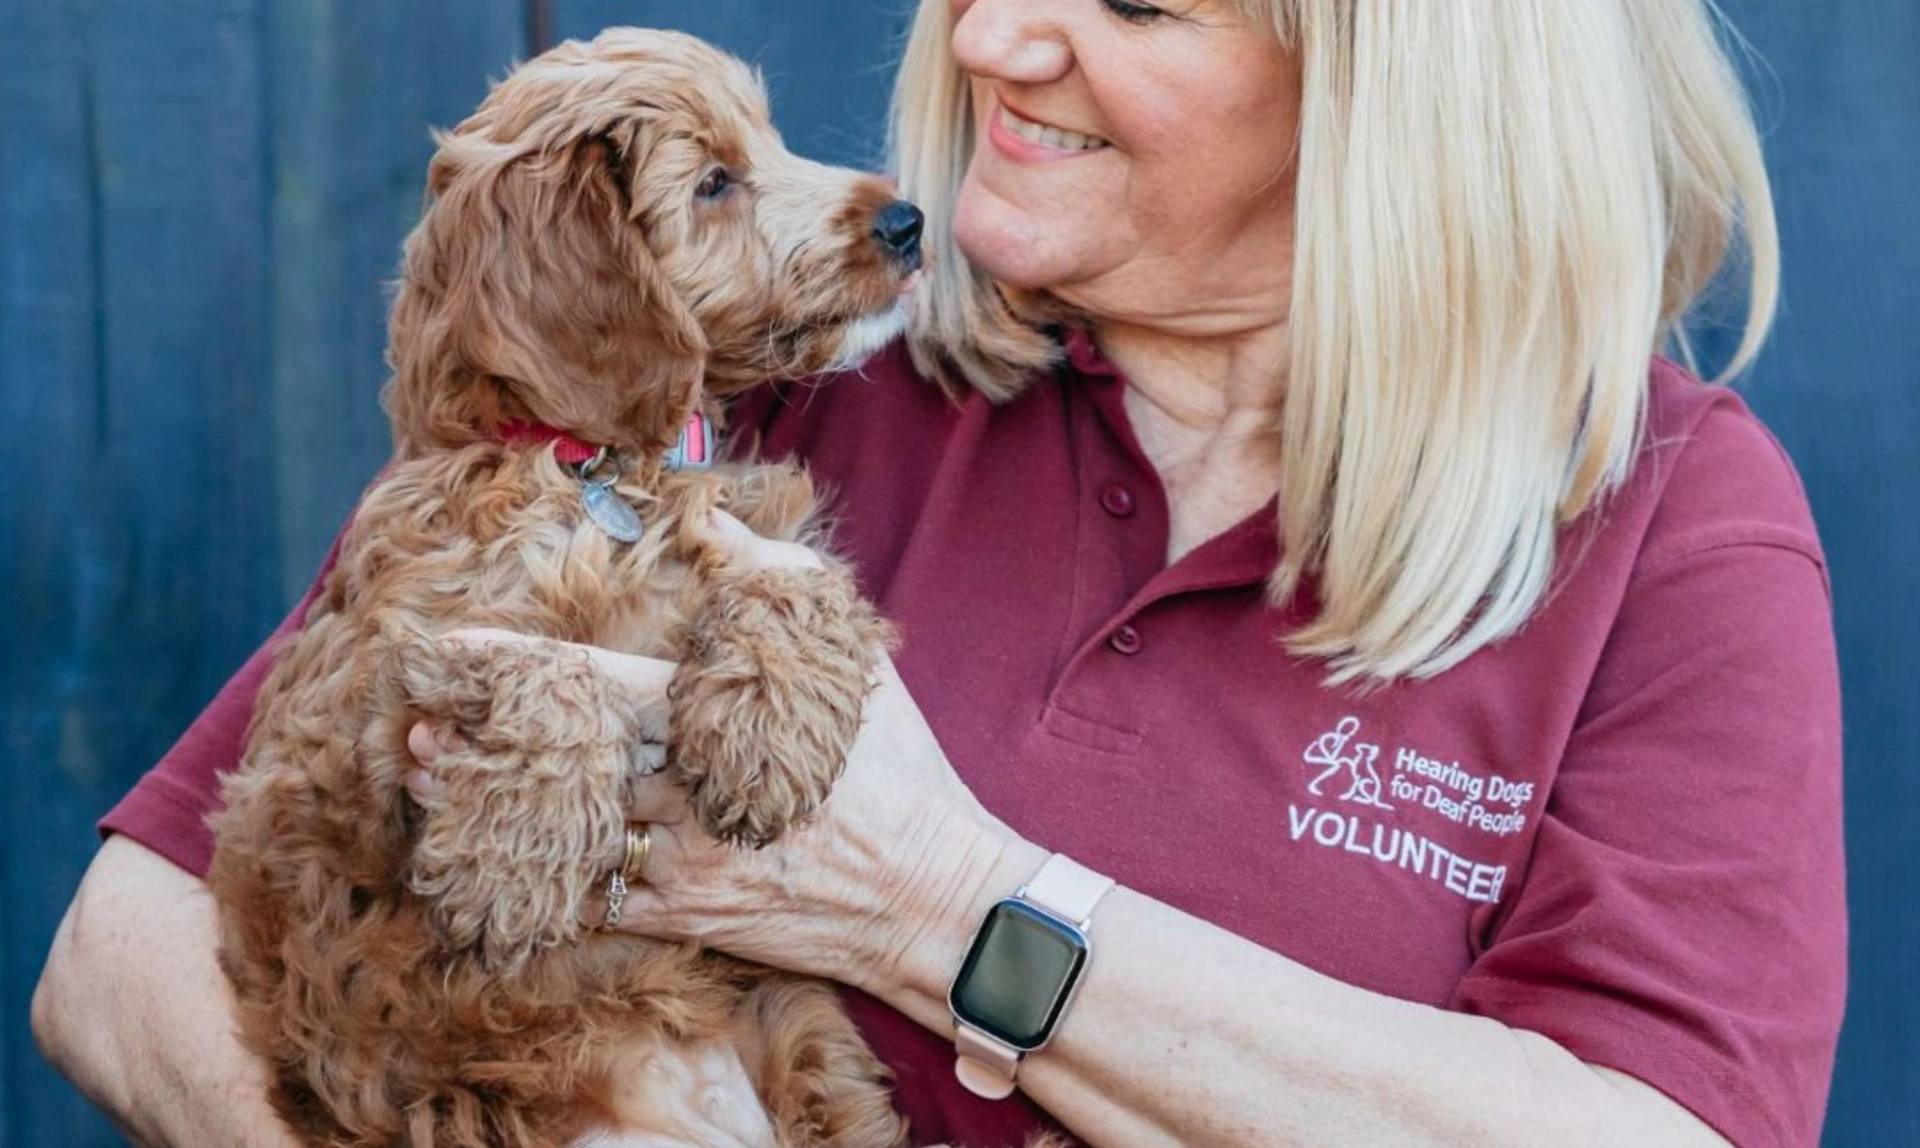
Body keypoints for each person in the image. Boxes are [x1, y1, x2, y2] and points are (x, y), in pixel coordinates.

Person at [34, 1, 1845, 1146]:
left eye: (1133, 0)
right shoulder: (751, 388)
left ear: (1402, 93)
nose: (993, 40)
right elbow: (123, 950)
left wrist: (945, 904)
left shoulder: (1666, 526)